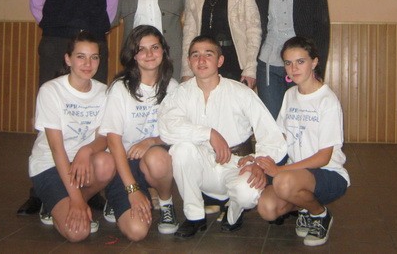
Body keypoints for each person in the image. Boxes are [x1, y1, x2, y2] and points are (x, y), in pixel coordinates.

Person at [20, 0, 120, 216]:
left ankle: (89, 187)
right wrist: (60, 29)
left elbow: (111, 7)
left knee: (93, 116)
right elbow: (37, 4)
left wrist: (88, 39)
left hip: (94, 45)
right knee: (50, 116)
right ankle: (40, 191)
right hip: (55, 42)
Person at [159, 36, 287, 238]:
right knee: (181, 150)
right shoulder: (180, 93)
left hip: (237, 164)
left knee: (247, 193)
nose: (201, 60)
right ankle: (194, 216)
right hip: (202, 164)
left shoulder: (240, 92)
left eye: (208, 54)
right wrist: (209, 133)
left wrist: (258, 163)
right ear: (189, 61)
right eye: (195, 55)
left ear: (220, 61)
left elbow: (270, 133)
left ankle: (234, 211)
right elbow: (167, 127)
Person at [256, 36, 349, 247]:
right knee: (267, 208)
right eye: (288, 63)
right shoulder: (290, 95)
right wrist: (257, 160)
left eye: (300, 61)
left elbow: (323, 157)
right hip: (295, 174)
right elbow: (279, 138)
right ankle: (305, 207)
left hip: (328, 173)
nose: (293, 68)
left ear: (314, 62)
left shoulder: (327, 101)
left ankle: (320, 214)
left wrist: (280, 171)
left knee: (282, 182)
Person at [28, 31, 115, 242]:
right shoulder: (51, 90)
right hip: (50, 164)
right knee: (78, 234)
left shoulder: (104, 92)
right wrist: (76, 200)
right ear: (68, 59)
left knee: (106, 162)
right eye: (80, 56)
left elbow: (104, 137)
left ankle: (66, 202)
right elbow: (56, 149)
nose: (88, 64)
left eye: (94, 57)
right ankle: (58, 201)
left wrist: (86, 151)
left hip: (82, 163)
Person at [98, 25, 180, 241]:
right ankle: (117, 197)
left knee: (158, 157)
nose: (149, 54)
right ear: (133, 55)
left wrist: (151, 141)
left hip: (154, 161)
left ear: (163, 51)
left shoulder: (173, 87)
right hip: (123, 163)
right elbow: (113, 141)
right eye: (141, 49)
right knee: (137, 231)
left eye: (155, 47)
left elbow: (178, 131)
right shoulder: (120, 88)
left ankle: (166, 203)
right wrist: (132, 189)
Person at [255, 0, 330, 120]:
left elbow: (322, 27)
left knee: (300, 123)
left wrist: (318, 67)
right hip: (268, 64)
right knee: (272, 124)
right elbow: (259, 26)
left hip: (301, 64)